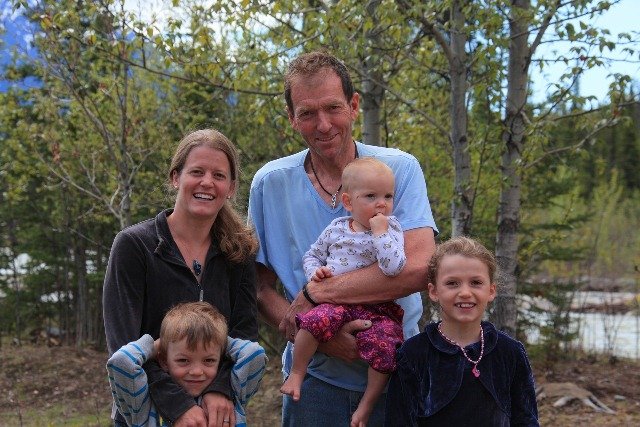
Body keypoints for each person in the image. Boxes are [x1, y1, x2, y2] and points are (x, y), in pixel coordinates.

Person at [248, 51, 438, 426]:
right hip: (313, 380)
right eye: (306, 113)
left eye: (333, 108)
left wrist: (318, 294)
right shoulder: (271, 184)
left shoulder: (397, 169)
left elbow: (418, 269)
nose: (323, 125)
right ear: (291, 119)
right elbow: (257, 288)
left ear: (353, 106)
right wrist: (318, 333)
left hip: (397, 373)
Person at [103, 128, 259, 427]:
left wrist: (220, 389)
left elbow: (244, 333)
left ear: (231, 188)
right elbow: (123, 344)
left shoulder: (239, 251)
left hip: (216, 414)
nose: (207, 182)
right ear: (176, 177)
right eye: (197, 171)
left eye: (219, 175)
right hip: (147, 410)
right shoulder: (135, 246)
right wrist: (177, 405)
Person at [280, 158, 406, 427]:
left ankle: (367, 404)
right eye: (371, 196)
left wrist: (381, 233)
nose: (381, 203)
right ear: (348, 202)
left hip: (377, 307)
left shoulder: (391, 229)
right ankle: (297, 373)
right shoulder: (336, 229)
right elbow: (312, 254)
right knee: (312, 321)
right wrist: (316, 273)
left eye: (387, 196)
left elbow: (393, 267)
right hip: (335, 300)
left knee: (387, 345)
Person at [385, 236, 539, 426]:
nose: (465, 292)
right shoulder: (412, 355)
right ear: (434, 291)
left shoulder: (510, 353)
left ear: (491, 291)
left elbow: (526, 420)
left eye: (476, 282)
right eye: (452, 283)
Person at [107, 302, 267, 427]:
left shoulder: (233, 393)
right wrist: (157, 345)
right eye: (183, 360)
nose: (197, 371)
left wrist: (218, 339)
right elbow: (122, 362)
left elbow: (255, 354)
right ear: (163, 360)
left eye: (209, 360)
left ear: (220, 357)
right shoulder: (144, 404)